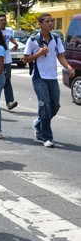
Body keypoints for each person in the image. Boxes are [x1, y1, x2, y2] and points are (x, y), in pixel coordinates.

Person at [23, 13, 75, 148]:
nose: (50, 23)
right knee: (44, 106)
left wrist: (68, 66)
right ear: (40, 24)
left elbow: (60, 56)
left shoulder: (56, 39)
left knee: (55, 106)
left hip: (52, 77)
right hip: (39, 77)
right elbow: (25, 59)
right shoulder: (33, 40)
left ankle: (39, 123)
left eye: (51, 21)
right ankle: (47, 137)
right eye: (47, 21)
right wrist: (39, 53)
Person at [0, 14, 18, 110]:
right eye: (1, 20)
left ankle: (9, 102)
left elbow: (11, 38)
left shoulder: (9, 30)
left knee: (7, 80)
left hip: (7, 59)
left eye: (4, 20)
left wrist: (15, 44)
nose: (3, 21)